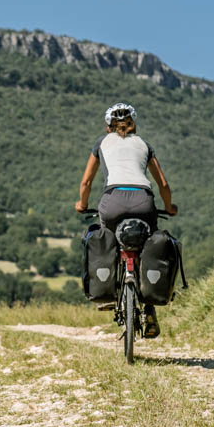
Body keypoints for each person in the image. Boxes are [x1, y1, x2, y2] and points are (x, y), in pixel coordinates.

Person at [74, 103, 177, 337]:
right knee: (147, 244)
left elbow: (86, 183)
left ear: (107, 126)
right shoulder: (144, 145)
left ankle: (107, 289)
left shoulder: (101, 143)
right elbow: (163, 184)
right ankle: (149, 306)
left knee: (107, 238)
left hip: (112, 200)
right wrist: (169, 207)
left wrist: (81, 204)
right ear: (134, 123)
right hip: (144, 200)